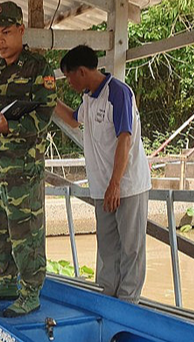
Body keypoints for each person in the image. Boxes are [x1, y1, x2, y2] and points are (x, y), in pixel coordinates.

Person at [0, 1, 56, 317]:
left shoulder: (38, 68)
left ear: (21, 30)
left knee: (26, 231)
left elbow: (45, 115)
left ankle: (30, 291)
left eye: (6, 32)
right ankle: (5, 280)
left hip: (24, 167)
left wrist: (11, 126)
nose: (0, 40)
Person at [55, 45, 151, 303]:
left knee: (131, 248)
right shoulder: (89, 97)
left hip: (127, 186)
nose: (69, 82)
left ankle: (129, 302)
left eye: (69, 76)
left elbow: (125, 138)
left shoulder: (118, 93)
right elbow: (75, 120)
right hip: (102, 187)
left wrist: (115, 184)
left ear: (83, 71)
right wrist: (50, 99)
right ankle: (107, 298)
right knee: (107, 247)